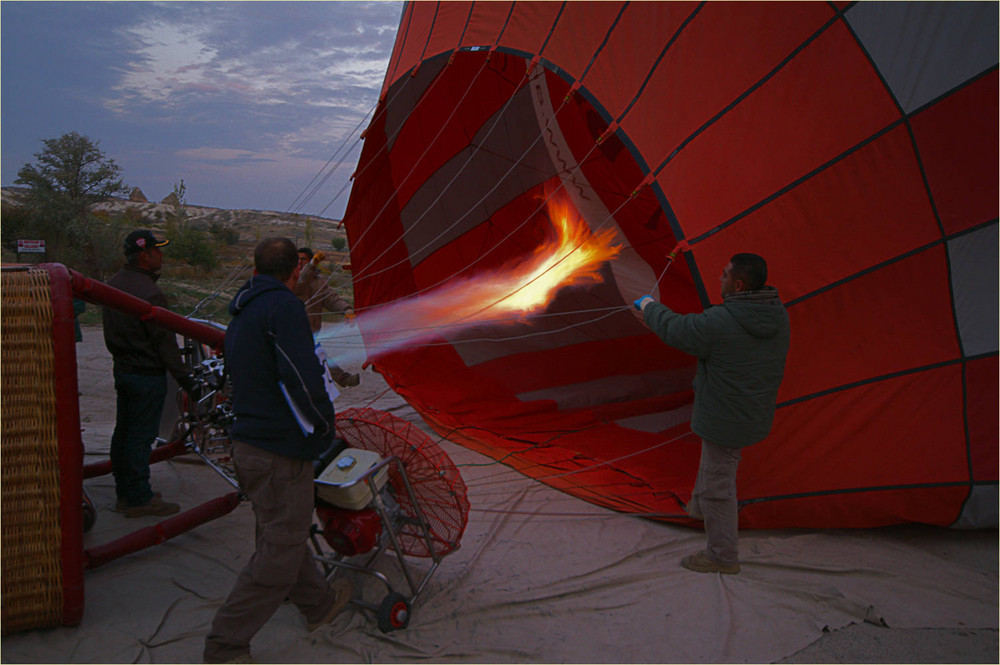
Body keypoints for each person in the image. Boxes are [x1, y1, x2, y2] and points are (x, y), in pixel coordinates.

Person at [204, 237, 352, 664]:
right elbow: (302, 377)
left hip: (248, 442)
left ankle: (318, 603)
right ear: (294, 271)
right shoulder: (284, 309)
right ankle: (225, 645)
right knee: (279, 551)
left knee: (280, 533)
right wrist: (324, 427)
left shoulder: (244, 309)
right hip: (278, 449)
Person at [634, 253, 790, 575]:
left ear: (739, 284)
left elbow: (678, 329)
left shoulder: (722, 323)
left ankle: (722, 556)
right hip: (753, 410)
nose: (718, 280)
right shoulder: (777, 315)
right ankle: (700, 508)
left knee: (720, 483)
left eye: (723, 276)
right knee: (714, 458)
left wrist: (648, 306)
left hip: (727, 416)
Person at [103, 229, 199, 518]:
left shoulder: (114, 285)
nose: (161, 255)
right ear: (145, 255)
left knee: (124, 433)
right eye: (157, 251)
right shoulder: (149, 293)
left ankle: (126, 492)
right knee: (140, 438)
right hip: (146, 376)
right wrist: (187, 381)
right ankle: (139, 498)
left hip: (124, 371)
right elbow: (165, 344)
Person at [294, 246, 359, 387]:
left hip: (311, 331)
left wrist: (346, 309)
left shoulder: (319, 282)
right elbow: (300, 284)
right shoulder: (290, 279)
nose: (299, 263)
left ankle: (341, 379)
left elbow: (332, 299)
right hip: (293, 332)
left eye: (303, 259)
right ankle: (342, 379)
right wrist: (311, 266)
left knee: (319, 356)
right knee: (316, 357)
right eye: (297, 259)